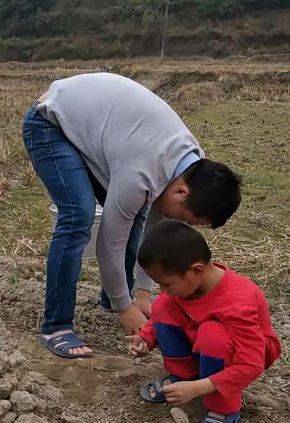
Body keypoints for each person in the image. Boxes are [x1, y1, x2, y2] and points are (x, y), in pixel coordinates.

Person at [22, 72, 242, 359]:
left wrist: (142, 294)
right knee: (78, 215)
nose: (180, 225)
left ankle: (113, 296)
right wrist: (125, 309)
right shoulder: (141, 175)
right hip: (50, 122)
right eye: (185, 219)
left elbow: (157, 233)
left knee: (135, 214)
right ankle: (56, 325)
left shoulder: (191, 163)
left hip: (99, 127)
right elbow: (109, 243)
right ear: (181, 192)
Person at [127, 221, 281, 423]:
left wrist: (200, 387)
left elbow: (251, 364)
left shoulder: (238, 302)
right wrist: (146, 338)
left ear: (196, 270)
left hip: (248, 351)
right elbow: (165, 315)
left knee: (213, 334)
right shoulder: (188, 286)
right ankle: (183, 376)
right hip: (201, 336)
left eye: (166, 284)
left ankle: (223, 405)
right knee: (163, 304)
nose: (162, 289)